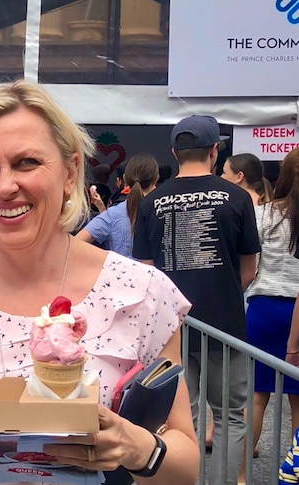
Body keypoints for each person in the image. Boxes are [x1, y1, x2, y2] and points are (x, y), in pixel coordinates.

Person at [0, 80, 198, 484]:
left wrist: (134, 447)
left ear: (70, 171)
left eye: (27, 162)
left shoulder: (139, 292)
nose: (6, 186)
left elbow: (185, 466)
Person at [133, 115, 260, 485]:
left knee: (175, 418)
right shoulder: (236, 197)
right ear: (214, 151)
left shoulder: (152, 201)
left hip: (171, 330)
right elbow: (249, 268)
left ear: (174, 151)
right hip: (226, 327)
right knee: (230, 414)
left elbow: (147, 271)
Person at [243, 147, 299, 481]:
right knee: (298, 402)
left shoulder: (263, 214)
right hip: (298, 314)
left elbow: (251, 267)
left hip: (263, 309)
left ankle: (240, 474)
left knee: (256, 396)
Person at [75, 153, 159, 259]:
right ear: (156, 178)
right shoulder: (166, 210)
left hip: (119, 274)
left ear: (125, 178)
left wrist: (104, 263)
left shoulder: (112, 214)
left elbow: (76, 243)